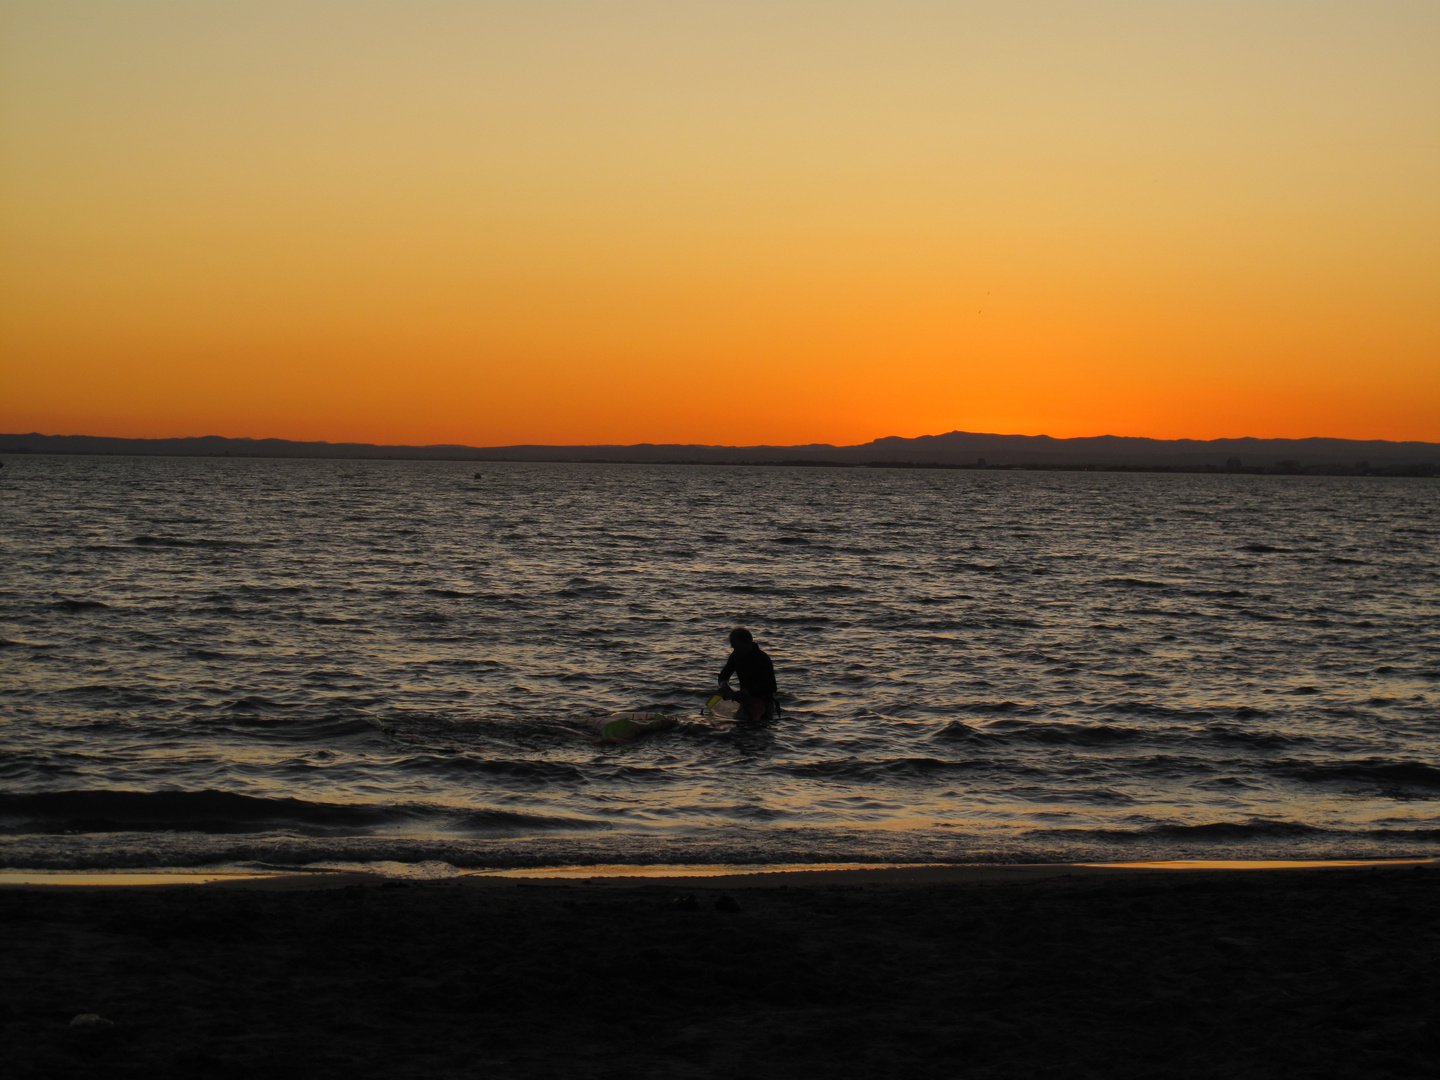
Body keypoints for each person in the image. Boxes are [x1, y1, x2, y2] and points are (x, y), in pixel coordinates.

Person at [717, 627, 778, 722]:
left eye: (738, 648)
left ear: (748, 644)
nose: (736, 651)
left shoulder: (762, 659)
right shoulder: (735, 656)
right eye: (734, 648)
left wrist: (747, 692)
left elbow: (771, 687)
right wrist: (724, 687)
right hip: (745, 701)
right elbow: (723, 675)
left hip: (764, 702)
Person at [585, 712, 678, 746]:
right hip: (633, 727)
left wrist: (599, 741)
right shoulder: (617, 715)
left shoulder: (581, 722)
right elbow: (654, 716)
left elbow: (575, 733)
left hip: (615, 733)